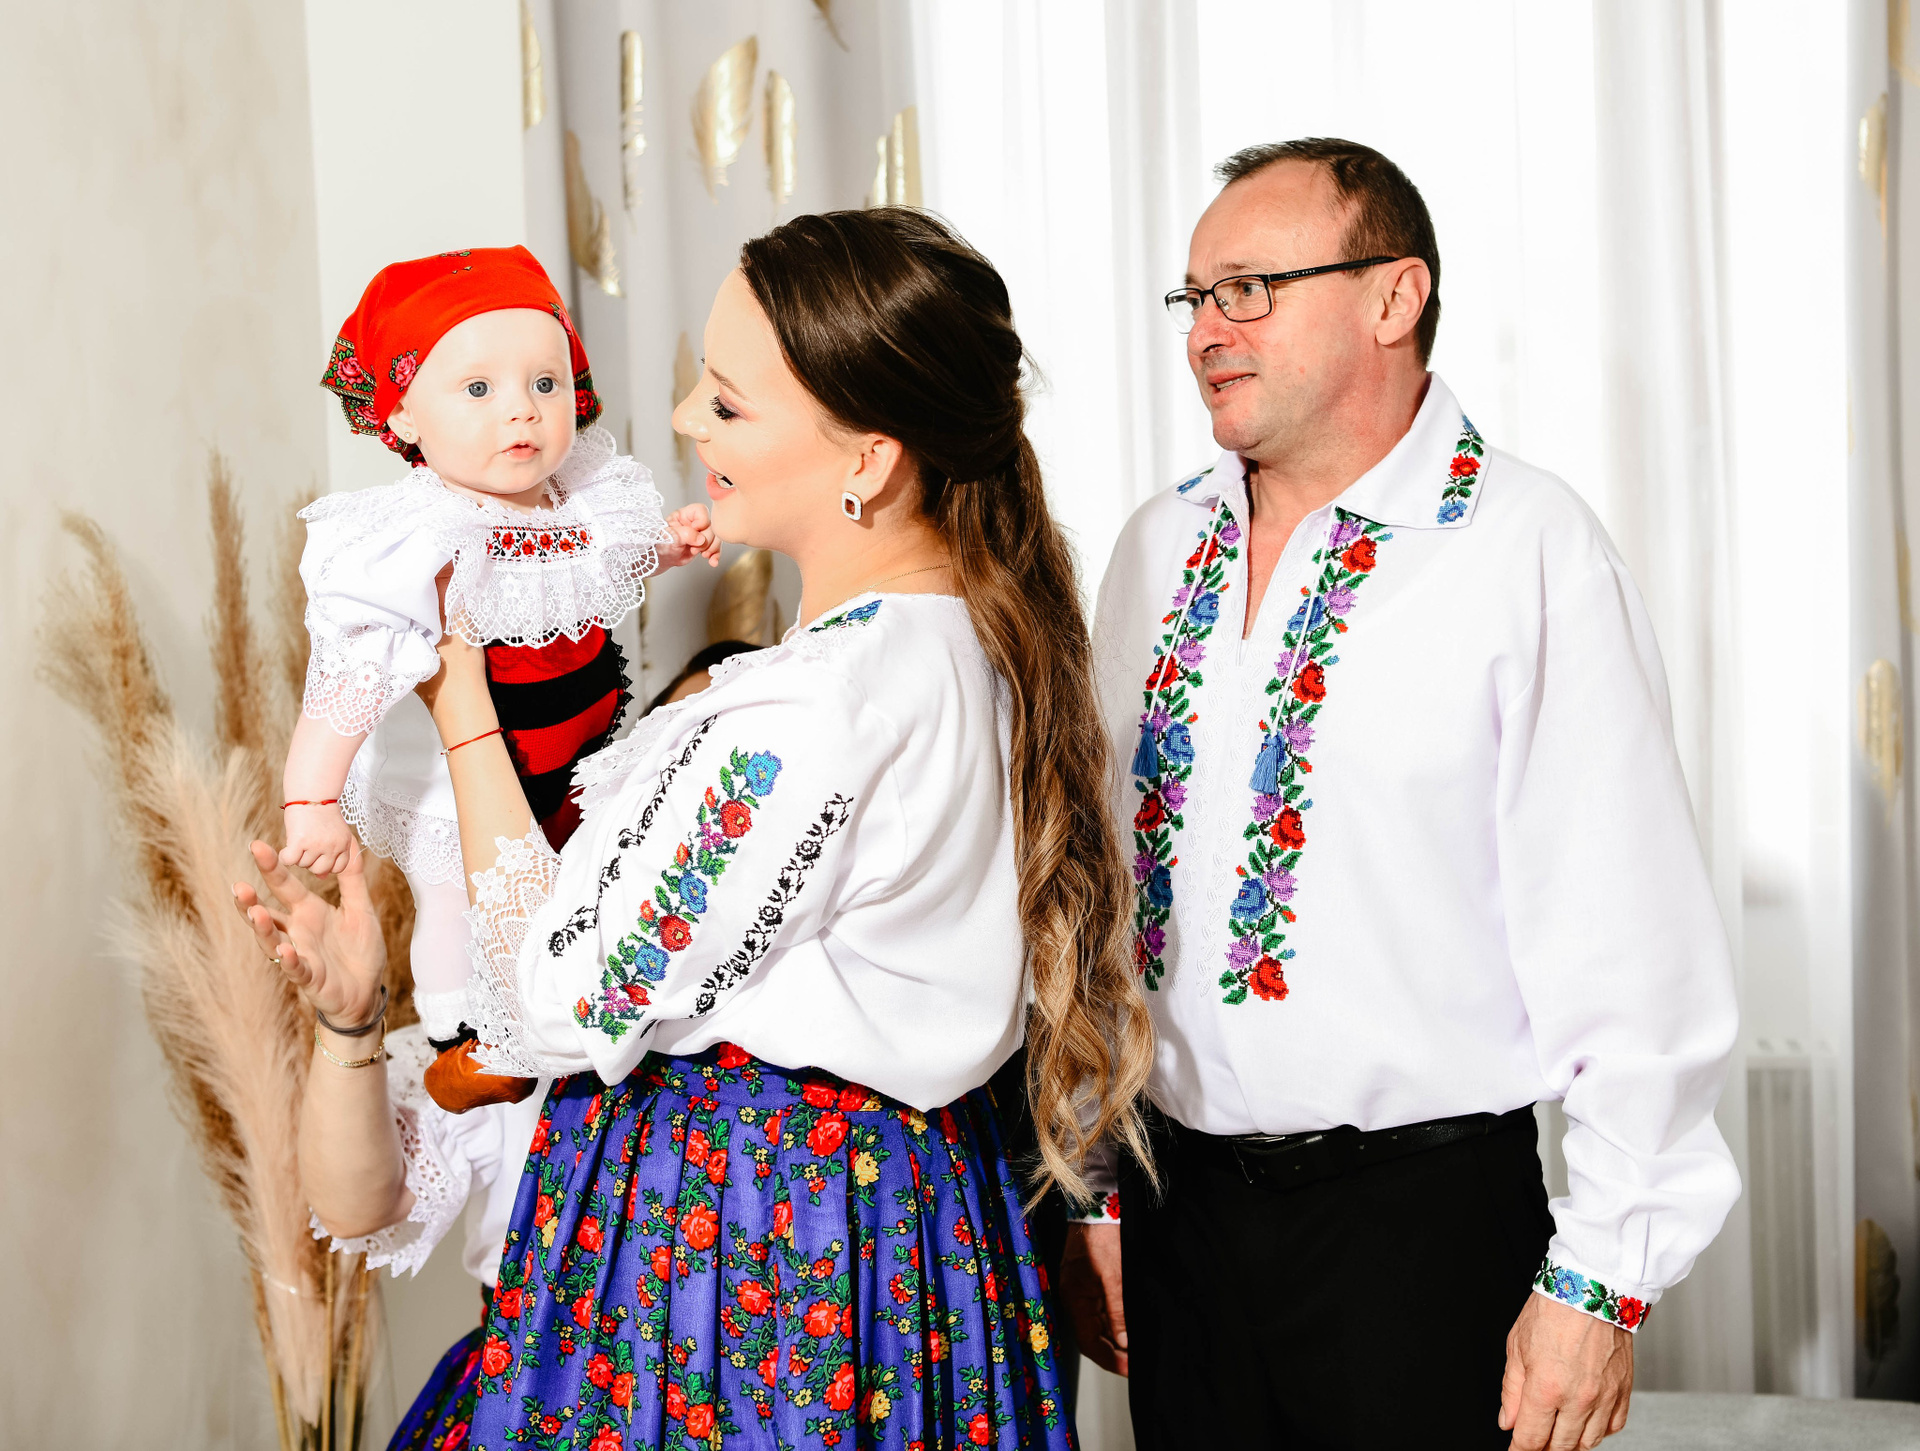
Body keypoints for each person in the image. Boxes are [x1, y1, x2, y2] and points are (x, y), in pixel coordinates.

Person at [235, 208, 1155, 1450]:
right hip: (894, 1224)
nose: (685, 422)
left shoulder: (814, 708)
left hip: (751, 1250)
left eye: (726, 402)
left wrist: (461, 699)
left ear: (868, 457)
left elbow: (558, 999)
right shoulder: (966, 650)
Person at [1061, 138, 1740, 1449]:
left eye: (1250, 289)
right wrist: (1093, 1182)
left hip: (1418, 1227)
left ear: (1393, 294)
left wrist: (1601, 1276)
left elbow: (1629, 932)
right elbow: (1099, 893)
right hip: (1177, 1219)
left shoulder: (1524, 547)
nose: (1206, 330)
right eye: (1195, 296)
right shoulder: (1155, 546)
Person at [279, 245, 717, 1083]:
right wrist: (312, 798)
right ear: (404, 417)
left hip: (571, 742)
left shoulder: (580, 498)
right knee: (454, 892)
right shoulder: (417, 536)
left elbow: (603, 560)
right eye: (478, 389)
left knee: (565, 882)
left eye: (544, 383)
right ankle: (462, 1033)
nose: (522, 409)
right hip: (459, 772)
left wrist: (669, 545)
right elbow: (349, 676)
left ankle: (555, 1009)